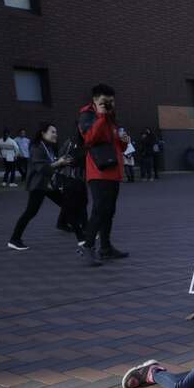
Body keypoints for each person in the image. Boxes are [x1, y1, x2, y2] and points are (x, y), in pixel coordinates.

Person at [77, 83, 130, 265]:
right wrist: (100, 115)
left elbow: (119, 147)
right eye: (105, 101)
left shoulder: (111, 118)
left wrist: (124, 141)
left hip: (113, 171)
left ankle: (106, 248)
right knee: (99, 210)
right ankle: (88, 247)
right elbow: (89, 139)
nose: (109, 104)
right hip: (98, 172)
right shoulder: (87, 115)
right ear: (95, 100)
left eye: (112, 101)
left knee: (109, 211)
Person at [7, 123, 74, 251]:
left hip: (47, 185)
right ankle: (14, 240)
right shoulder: (37, 147)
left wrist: (62, 163)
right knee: (31, 212)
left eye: (56, 132)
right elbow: (42, 168)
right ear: (43, 133)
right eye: (52, 132)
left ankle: (66, 225)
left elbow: (51, 164)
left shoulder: (48, 147)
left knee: (67, 203)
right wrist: (58, 163)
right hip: (38, 185)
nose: (55, 134)